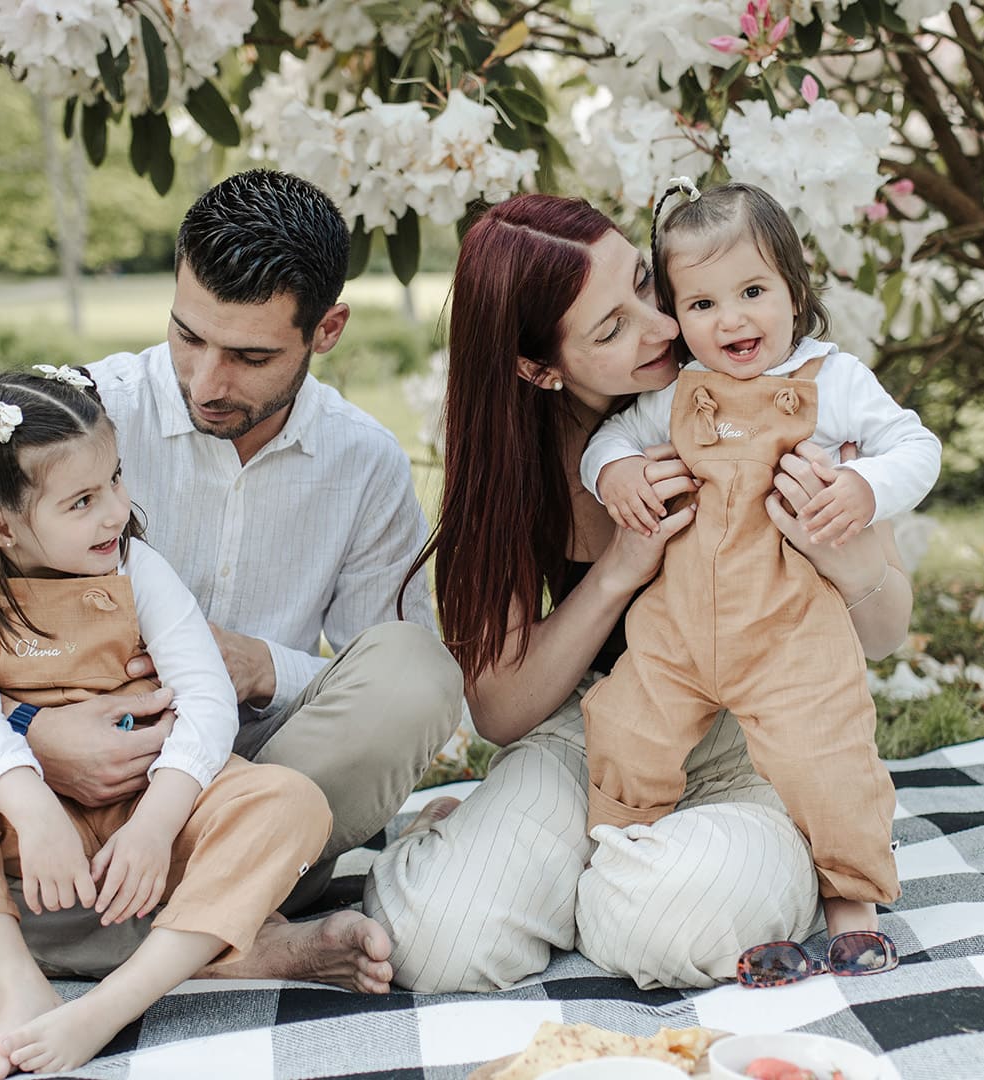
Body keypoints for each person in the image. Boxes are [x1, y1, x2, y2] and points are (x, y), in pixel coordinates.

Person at [0, 169, 462, 995]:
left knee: (419, 673)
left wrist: (258, 667)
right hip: (33, 809)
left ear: (327, 329)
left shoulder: (363, 460)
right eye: (187, 336)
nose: (205, 382)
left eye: (250, 355)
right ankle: (236, 944)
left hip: (230, 801)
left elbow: (379, 664)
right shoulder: (71, 420)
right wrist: (27, 735)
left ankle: (6, 942)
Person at [364, 193, 916, 992]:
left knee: (664, 922)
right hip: (597, 736)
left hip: (754, 741)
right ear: (539, 368)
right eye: (610, 329)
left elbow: (887, 631)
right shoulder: (515, 462)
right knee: (440, 943)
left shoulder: (784, 383)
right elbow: (501, 709)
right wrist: (623, 566)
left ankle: (738, 861)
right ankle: (529, 860)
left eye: (645, 284)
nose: (662, 326)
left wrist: (835, 533)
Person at [0, 369, 330, 1079]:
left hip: (151, 817)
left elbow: (206, 701)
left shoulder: (137, 569)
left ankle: (115, 1001)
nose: (115, 511)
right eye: (82, 500)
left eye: (115, 480)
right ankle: (17, 984)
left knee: (292, 803)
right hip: (27, 834)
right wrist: (36, 812)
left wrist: (153, 826)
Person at [577, 180, 941, 937]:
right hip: (675, 630)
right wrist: (617, 473)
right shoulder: (679, 392)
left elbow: (917, 445)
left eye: (752, 291)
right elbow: (606, 442)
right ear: (676, 317)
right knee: (624, 727)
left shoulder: (832, 380)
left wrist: (864, 488)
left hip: (788, 633)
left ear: (794, 289)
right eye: (703, 305)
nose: (732, 319)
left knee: (826, 759)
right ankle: (611, 844)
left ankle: (851, 893)